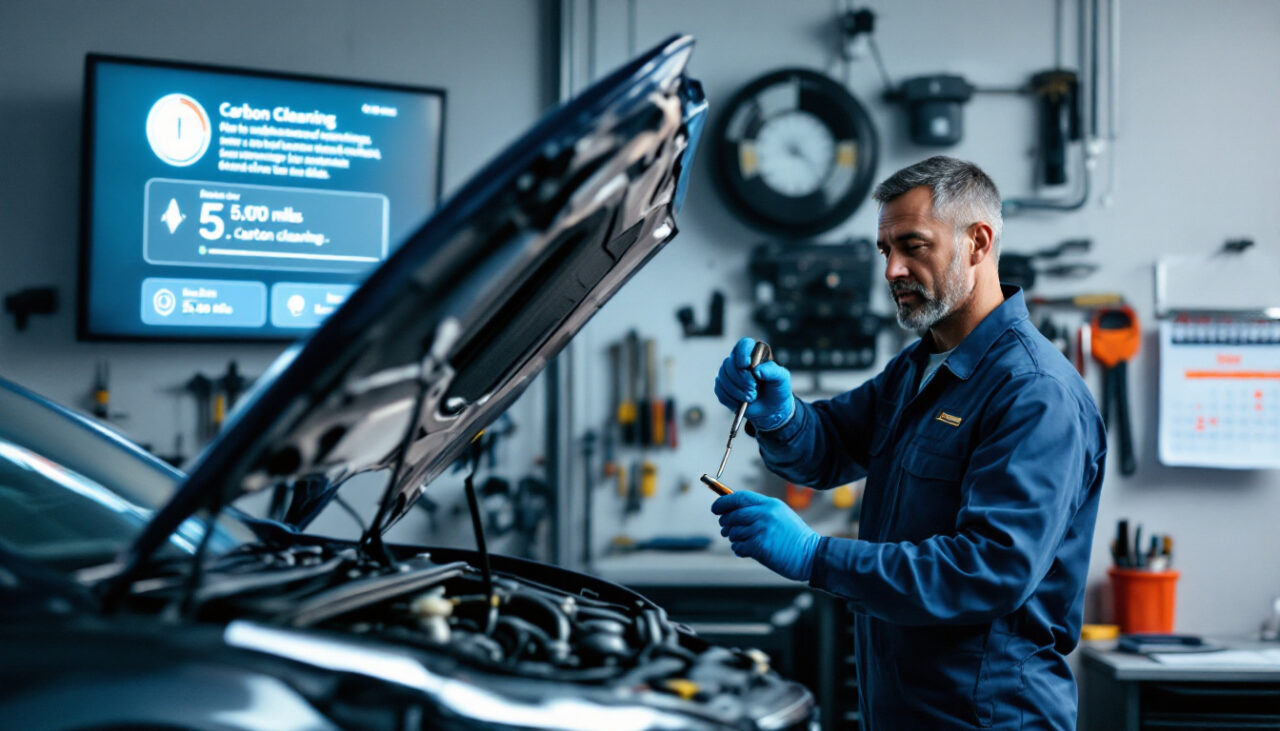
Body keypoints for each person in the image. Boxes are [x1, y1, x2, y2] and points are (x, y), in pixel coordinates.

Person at [711, 156, 1106, 729]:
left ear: (978, 242)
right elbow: (828, 448)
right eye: (884, 250)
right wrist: (779, 416)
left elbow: (990, 568)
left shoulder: (1033, 393)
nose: (892, 269)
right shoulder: (921, 365)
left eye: (913, 246)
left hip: (987, 718)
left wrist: (815, 556)